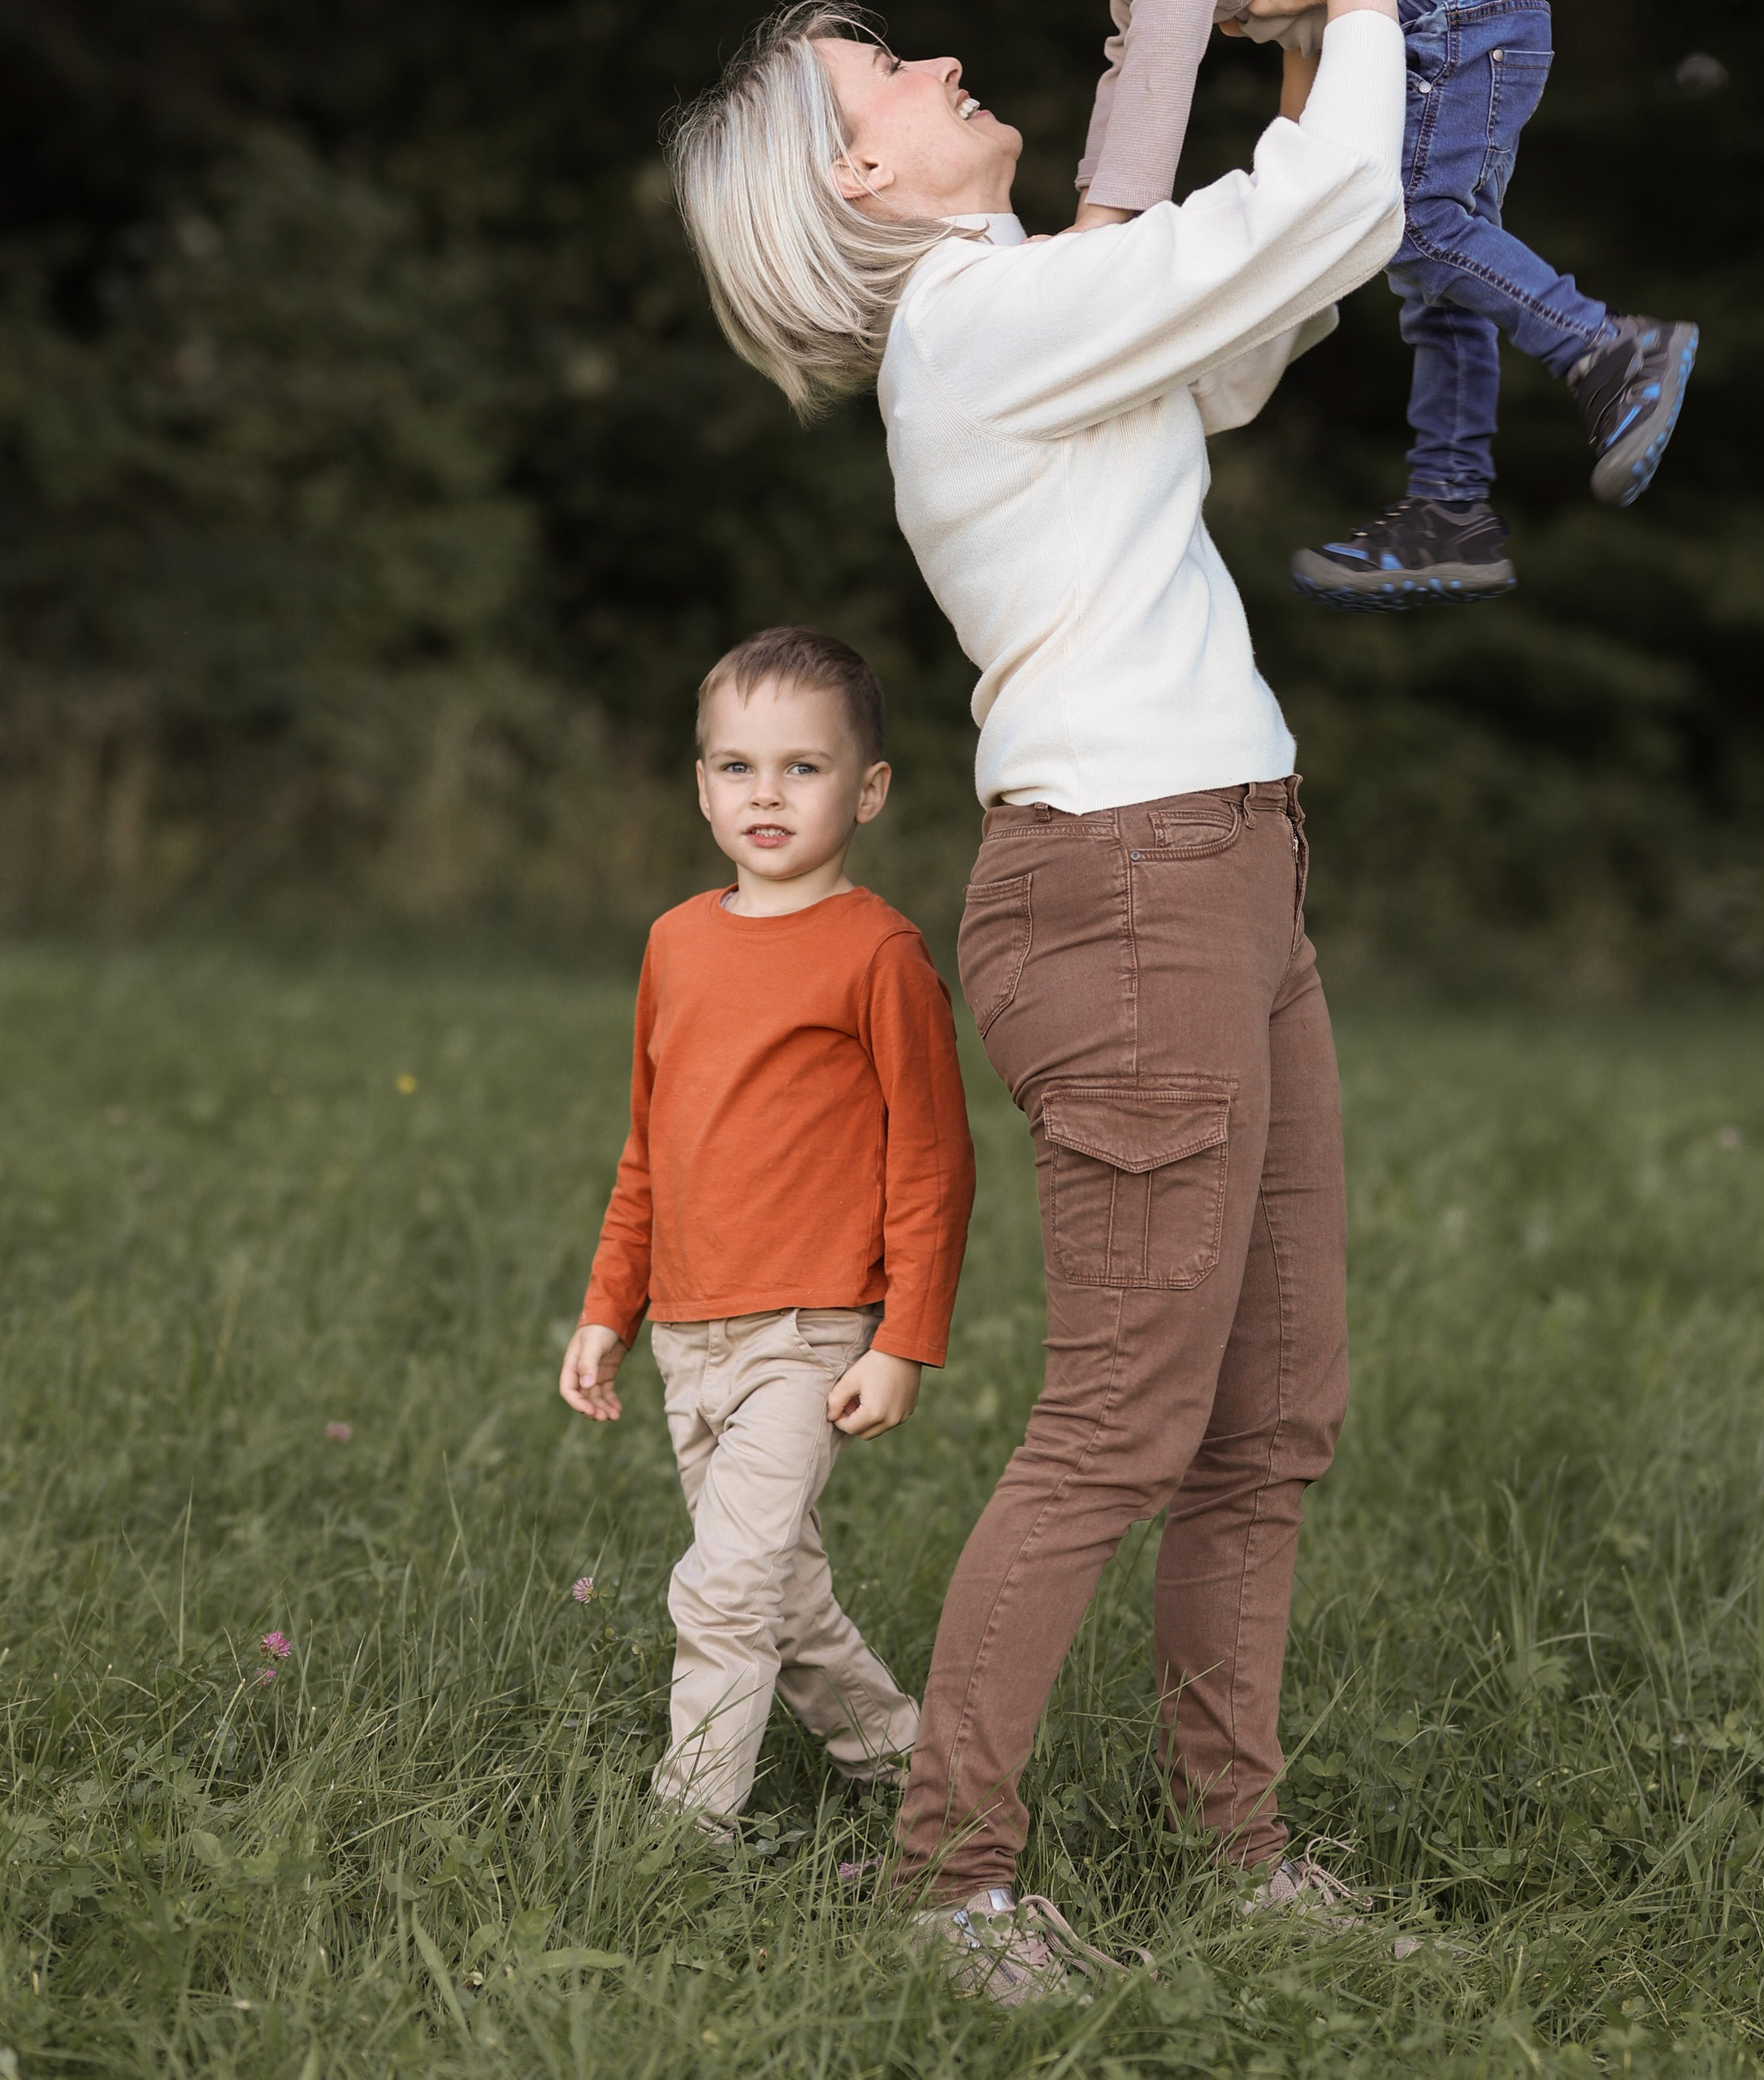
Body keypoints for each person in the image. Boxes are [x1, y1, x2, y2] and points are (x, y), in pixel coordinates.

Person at [669, 0, 1403, 2002]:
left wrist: (1237, 38)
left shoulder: (1022, 304)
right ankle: (947, 1880)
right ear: (854, 178)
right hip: (1129, 891)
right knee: (1120, 1418)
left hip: (1227, 865)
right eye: (879, 76)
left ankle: (1234, 1847)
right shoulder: (973, 333)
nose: (924, 68)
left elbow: (1243, 324)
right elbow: (1329, 207)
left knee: (1267, 1414)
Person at [557, 626, 976, 1830]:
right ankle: (917, 1784)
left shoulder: (880, 954)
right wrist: (607, 1308)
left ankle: (679, 1840)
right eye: (738, 767)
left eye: (804, 766)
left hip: (810, 1331)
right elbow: (649, 1147)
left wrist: (905, 1338)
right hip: (689, 1332)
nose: (768, 793)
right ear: (701, 786)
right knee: (782, 1598)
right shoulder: (676, 944)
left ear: (870, 789)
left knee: (727, 1593)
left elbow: (934, 1164)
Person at [1074, 0, 1701, 608]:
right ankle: (1448, 506)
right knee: (1439, 274)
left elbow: (1160, 66)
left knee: (1412, 224)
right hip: (1460, 29)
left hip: (1455, 24)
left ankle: (1606, 344)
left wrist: (1100, 233)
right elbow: (1146, 60)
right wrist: (1286, 186)